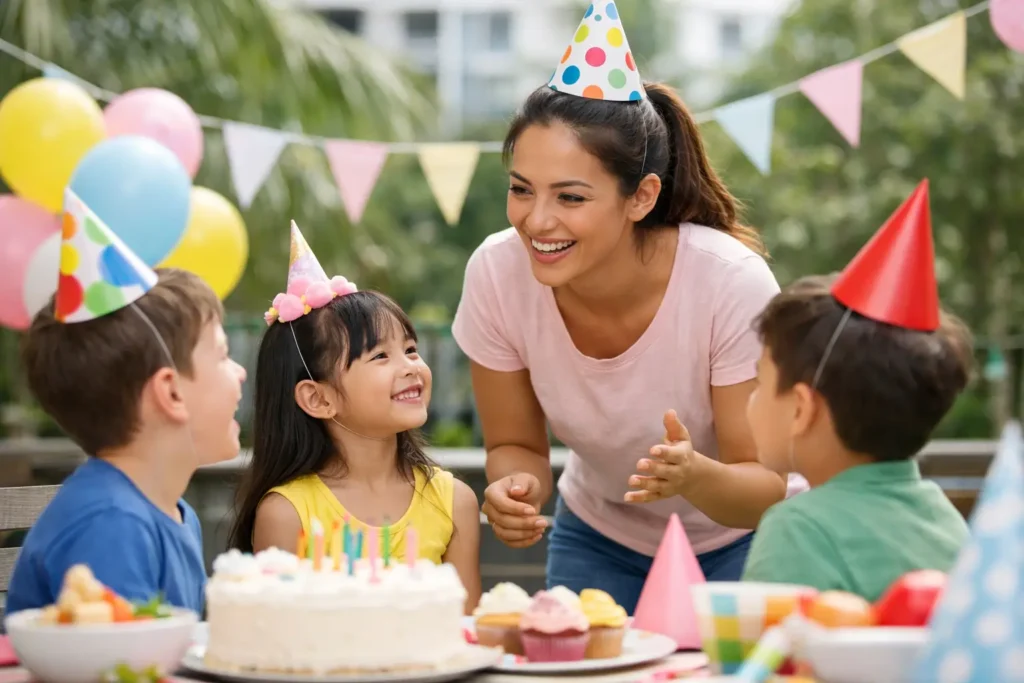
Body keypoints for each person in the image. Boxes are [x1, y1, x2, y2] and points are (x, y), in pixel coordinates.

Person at [452, 1, 800, 613]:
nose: (537, 220)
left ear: (641, 197)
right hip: (600, 538)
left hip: (742, 541)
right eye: (520, 189)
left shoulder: (729, 281)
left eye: (571, 197)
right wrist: (515, 488)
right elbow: (516, 445)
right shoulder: (495, 273)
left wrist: (695, 477)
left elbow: (767, 485)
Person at [7, 189, 246, 614]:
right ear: (170, 392)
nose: (240, 371)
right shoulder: (110, 526)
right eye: (224, 355)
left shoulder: (172, 512)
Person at [229, 222, 481, 613]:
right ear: (318, 398)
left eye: (411, 349)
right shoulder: (286, 514)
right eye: (381, 356)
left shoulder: (454, 502)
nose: (410, 366)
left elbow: (466, 631)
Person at [742, 180, 971, 600]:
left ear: (801, 409)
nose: (751, 401)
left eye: (759, 382)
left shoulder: (797, 527)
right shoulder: (943, 516)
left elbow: (768, 661)